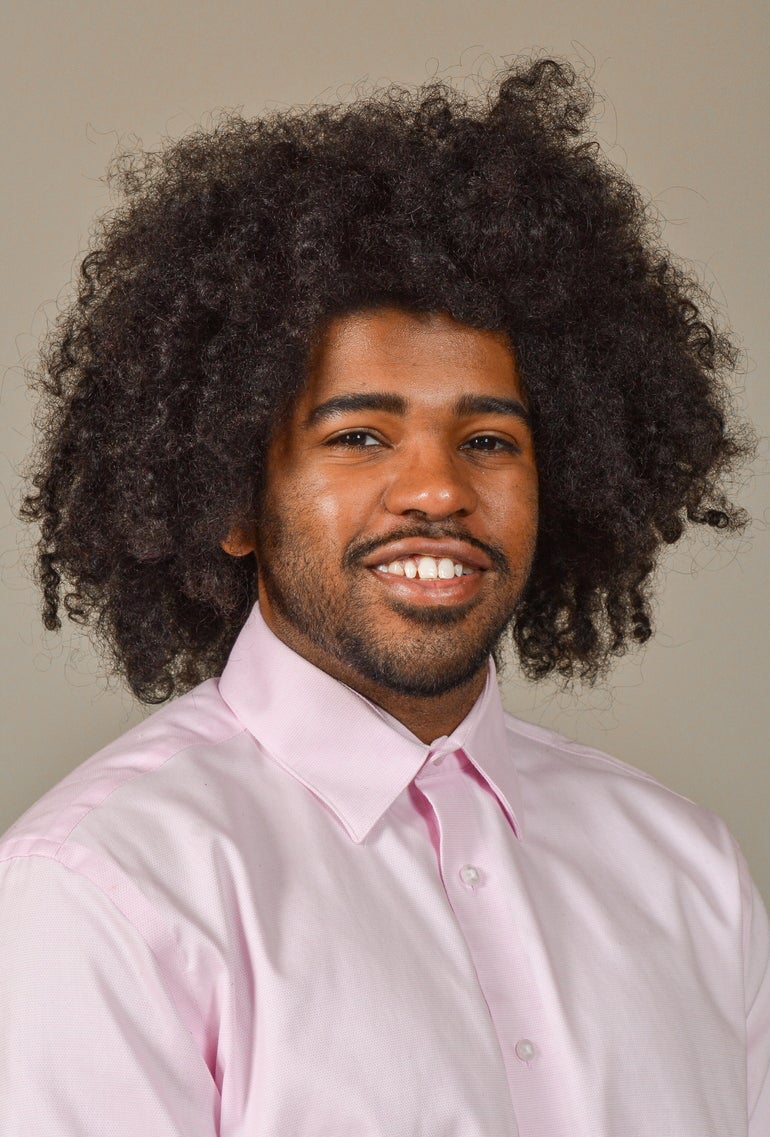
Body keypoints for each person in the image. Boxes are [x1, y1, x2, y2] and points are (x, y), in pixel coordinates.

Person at [0, 57, 767, 1135]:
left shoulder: (686, 870)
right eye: (358, 436)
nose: (438, 491)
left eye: (488, 440)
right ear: (234, 498)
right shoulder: (105, 887)